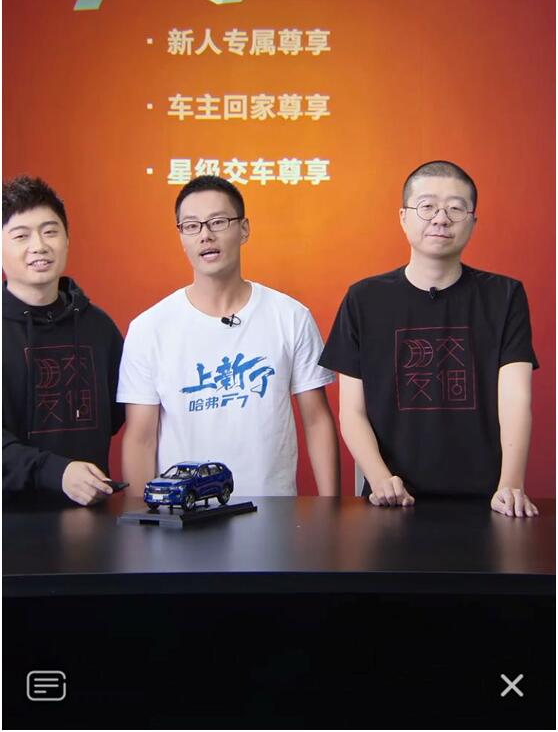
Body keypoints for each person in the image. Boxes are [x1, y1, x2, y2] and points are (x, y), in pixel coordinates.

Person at [320, 160, 539, 517]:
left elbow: (515, 398)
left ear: (473, 221)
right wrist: (380, 479)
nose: (441, 219)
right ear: (403, 217)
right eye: (427, 207)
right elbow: (352, 411)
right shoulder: (364, 299)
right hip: (391, 500)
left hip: (487, 500)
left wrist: (510, 484)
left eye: (455, 208)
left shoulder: (504, 296)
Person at [118, 175, 340, 497]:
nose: (205, 235)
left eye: (218, 222)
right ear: (181, 236)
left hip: (273, 512)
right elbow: (141, 438)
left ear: (244, 229)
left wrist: (330, 508)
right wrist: (142, 516)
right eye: (192, 226)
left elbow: (317, 421)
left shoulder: (291, 317)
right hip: (183, 514)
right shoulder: (148, 328)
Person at [2, 176, 124, 505]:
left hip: (92, 516)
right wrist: (56, 472)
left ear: (67, 240)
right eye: (21, 236)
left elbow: (120, 415)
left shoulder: (99, 327)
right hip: (10, 522)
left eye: (50, 231)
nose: (39, 246)